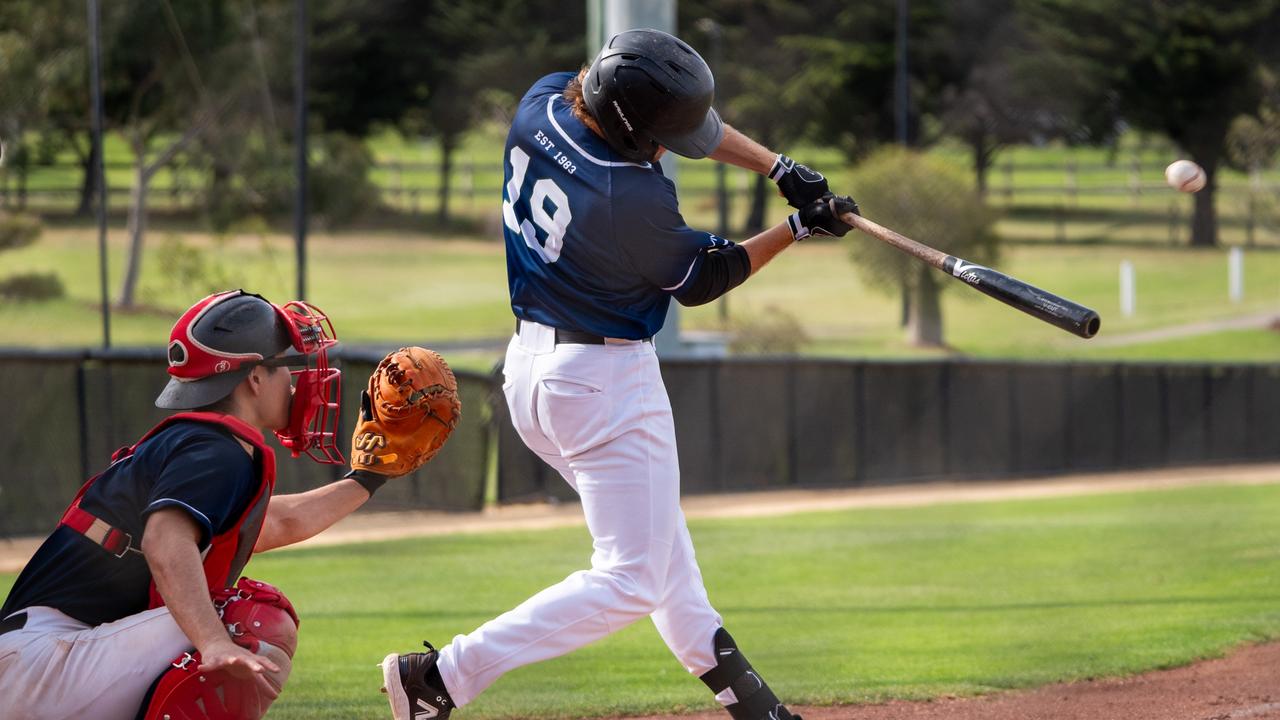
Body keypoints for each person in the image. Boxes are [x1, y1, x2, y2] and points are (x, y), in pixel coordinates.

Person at [380, 29, 857, 720]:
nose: (674, 148)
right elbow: (703, 278)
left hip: (531, 375)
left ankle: (759, 711)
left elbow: (679, 124)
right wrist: (796, 228)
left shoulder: (540, 103)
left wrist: (777, 166)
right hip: (603, 386)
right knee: (633, 579)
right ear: (636, 134)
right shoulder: (629, 197)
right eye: (666, 138)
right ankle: (444, 675)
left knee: (663, 563)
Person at [0, 289, 390, 720]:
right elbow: (165, 541)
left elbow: (275, 523)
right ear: (254, 377)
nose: (294, 382)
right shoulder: (215, 448)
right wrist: (214, 642)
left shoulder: (200, 442)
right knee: (250, 621)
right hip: (43, 665)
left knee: (228, 618)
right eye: (284, 369)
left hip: (44, 661)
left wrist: (369, 479)